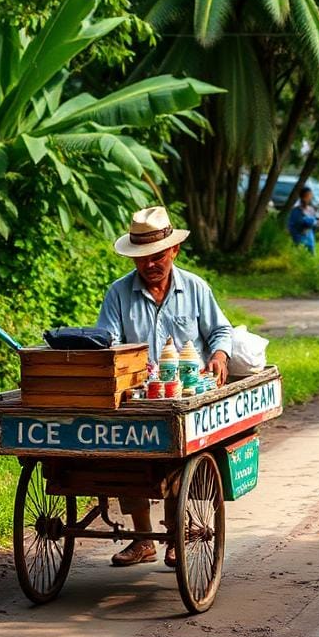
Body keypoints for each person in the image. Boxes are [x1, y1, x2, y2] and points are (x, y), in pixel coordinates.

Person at [96, 206, 233, 567]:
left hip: (187, 396)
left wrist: (219, 355)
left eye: (157, 256)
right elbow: (108, 340)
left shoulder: (195, 288)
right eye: (141, 259)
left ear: (173, 251)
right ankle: (143, 538)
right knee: (128, 458)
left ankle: (175, 533)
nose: (150, 265)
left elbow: (220, 330)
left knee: (179, 457)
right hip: (140, 397)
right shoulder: (118, 294)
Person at [287, 186, 319, 254]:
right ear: (302, 197)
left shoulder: (311, 209)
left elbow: (315, 222)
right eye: (307, 196)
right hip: (299, 238)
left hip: (309, 238)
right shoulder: (296, 211)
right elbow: (291, 225)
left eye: (310, 196)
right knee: (299, 255)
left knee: (311, 256)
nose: (309, 198)